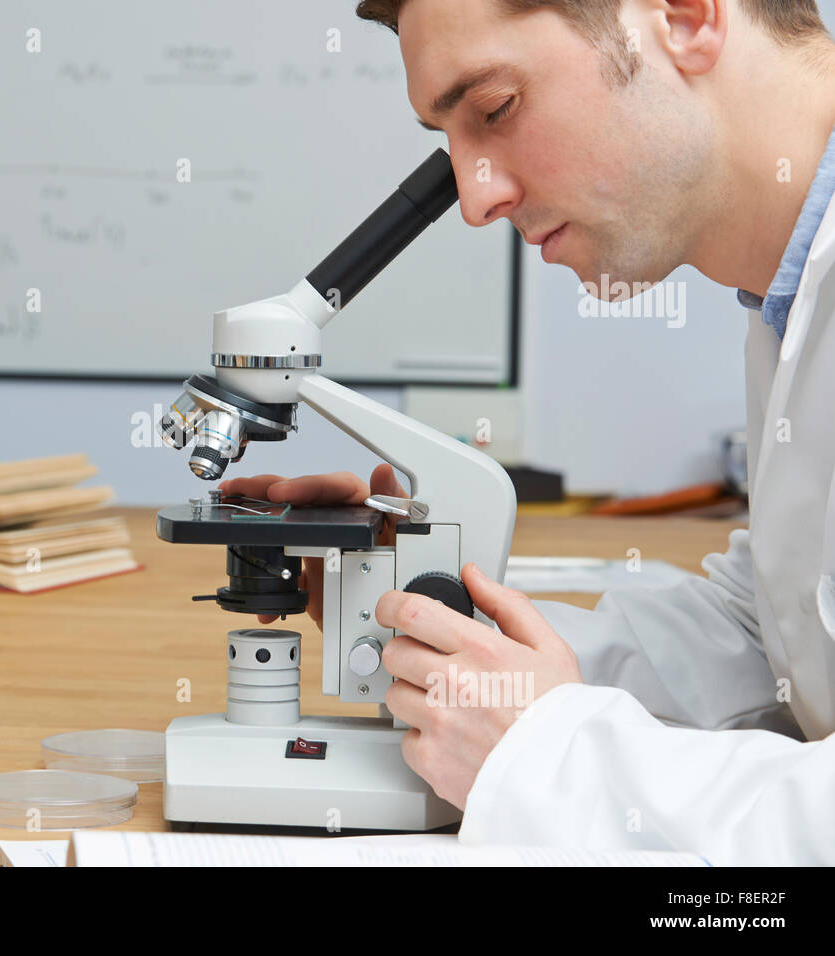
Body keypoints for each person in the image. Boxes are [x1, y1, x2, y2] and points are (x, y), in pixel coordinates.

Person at [219, 0, 835, 865]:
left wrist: (552, 756)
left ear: (687, 18)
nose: (475, 199)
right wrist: (440, 628)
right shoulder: (790, 298)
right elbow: (776, 638)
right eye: (452, 143)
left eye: (497, 109)